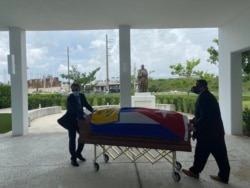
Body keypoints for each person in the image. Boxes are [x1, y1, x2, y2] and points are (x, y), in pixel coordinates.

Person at [182, 79, 230, 184]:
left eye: (197, 85)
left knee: (201, 153)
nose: (195, 87)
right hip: (215, 132)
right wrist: (193, 120)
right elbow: (203, 114)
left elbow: (205, 117)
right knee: (220, 155)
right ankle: (223, 176)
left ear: (202, 87)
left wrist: (195, 127)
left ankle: (194, 172)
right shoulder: (207, 96)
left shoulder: (204, 98)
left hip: (208, 133)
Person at [64, 83, 95, 167]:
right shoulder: (70, 98)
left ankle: (78, 153)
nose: (75, 91)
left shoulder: (81, 96)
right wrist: (84, 115)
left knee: (83, 137)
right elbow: (75, 109)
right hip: (71, 121)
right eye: (73, 90)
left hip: (80, 121)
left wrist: (93, 110)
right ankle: (73, 158)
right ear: (71, 90)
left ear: (79, 89)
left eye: (76, 90)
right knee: (72, 139)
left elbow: (86, 104)